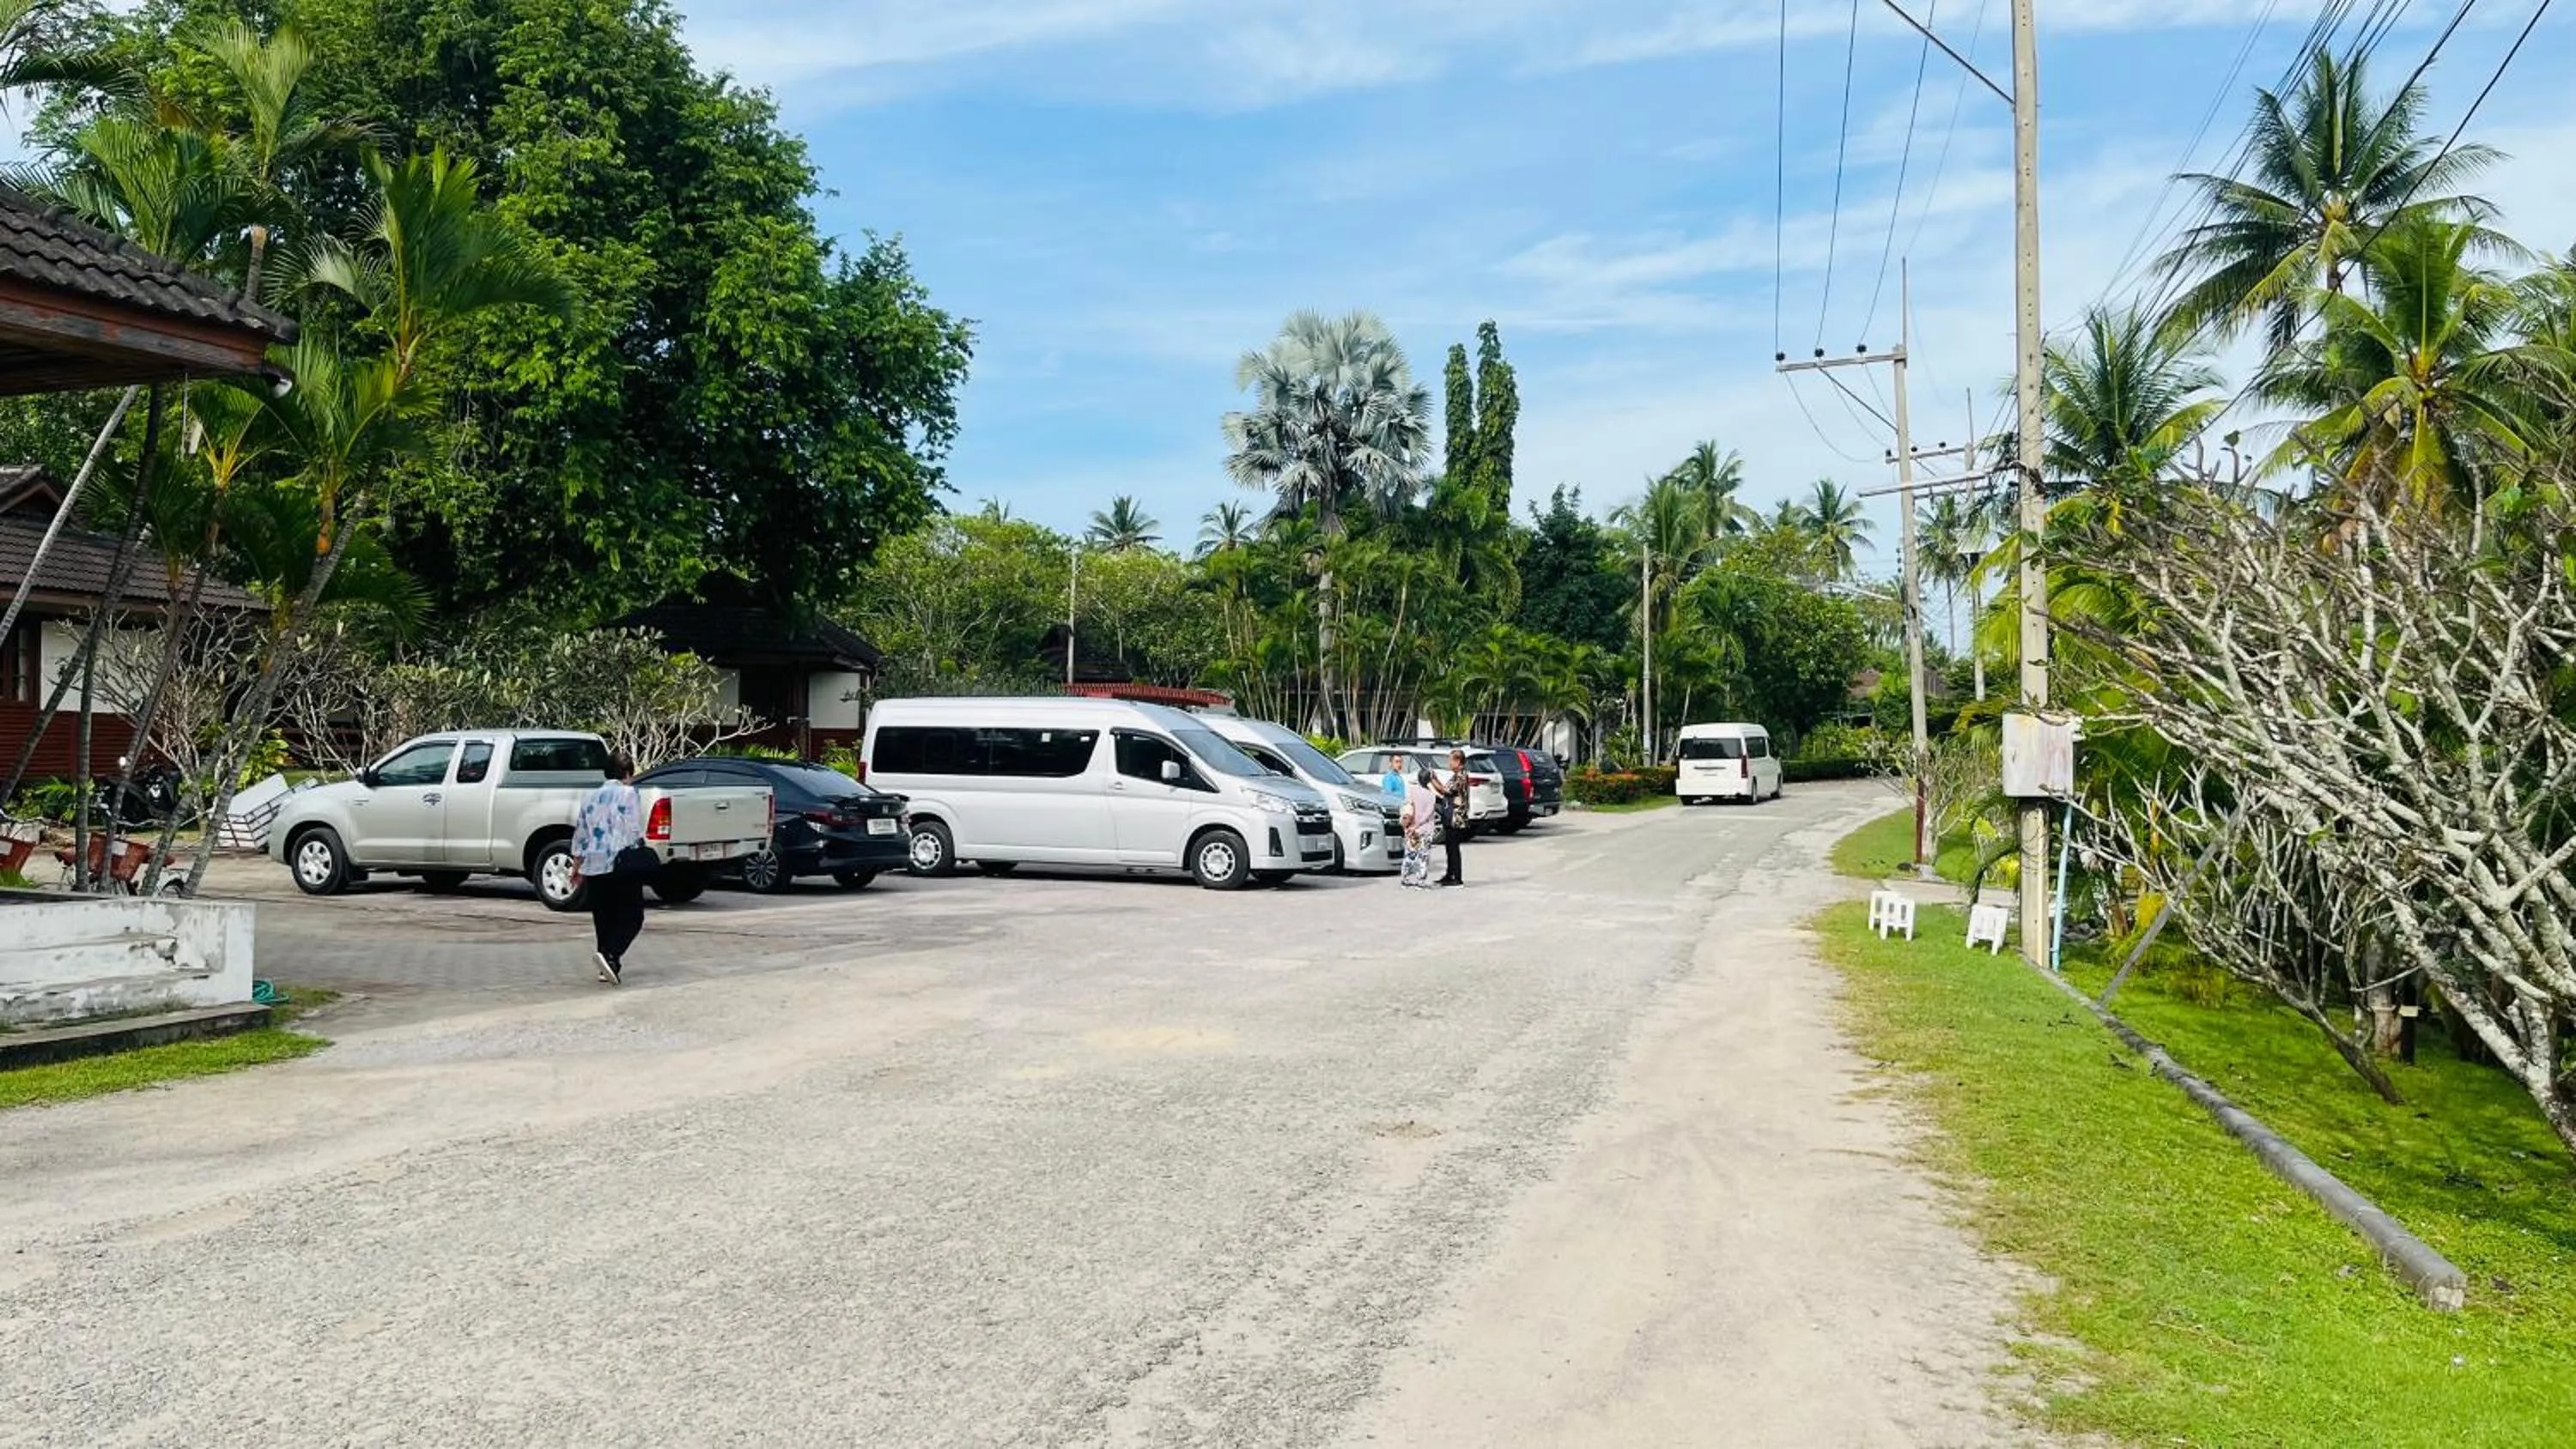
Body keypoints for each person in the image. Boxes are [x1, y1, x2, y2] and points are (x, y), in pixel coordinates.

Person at [568, 754, 647, 985]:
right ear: (627, 774)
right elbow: (631, 828)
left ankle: (607, 968)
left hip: (594, 863)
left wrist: (576, 865)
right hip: (619, 861)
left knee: (604, 917)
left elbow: (581, 832)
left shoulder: (590, 796)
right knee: (633, 916)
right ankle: (610, 955)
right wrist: (639, 849)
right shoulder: (629, 793)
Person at [1400, 765, 1443, 888]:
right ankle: (1420, 881)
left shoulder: (1412, 791)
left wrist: (1411, 826)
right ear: (1429, 781)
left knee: (1410, 854)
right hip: (1425, 829)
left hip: (1411, 829)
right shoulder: (1431, 796)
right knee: (1423, 856)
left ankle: (1405, 878)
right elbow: (1428, 814)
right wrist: (1419, 824)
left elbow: (1407, 807)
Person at [1437, 749, 1471, 887]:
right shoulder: (1456, 775)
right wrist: (1435, 780)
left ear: (1458, 761)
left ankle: (1457, 877)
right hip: (1450, 815)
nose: (1449, 763)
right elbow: (1445, 788)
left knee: (1453, 848)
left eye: (1451, 760)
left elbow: (1447, 791)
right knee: (1449, 847)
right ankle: (1449, 874)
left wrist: (1431, 780)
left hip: (1456, 817)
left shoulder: (1461, 776)